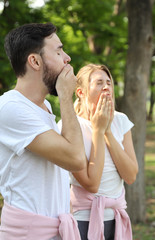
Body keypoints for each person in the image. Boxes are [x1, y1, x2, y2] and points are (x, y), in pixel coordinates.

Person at [0, 23, 86, 240]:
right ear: (35, 61)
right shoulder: (9, 108)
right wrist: (66, 98)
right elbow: (76, 159)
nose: (67, 58)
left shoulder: (44, 107)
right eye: (59, 51)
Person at [58, 64, 138, 240]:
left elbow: (131, 176)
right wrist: (98, 130)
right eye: (99, 82)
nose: (106, 87)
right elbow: (91, 185)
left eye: (109, 82)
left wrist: (107, 130)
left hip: (116, 219)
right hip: (83, 221)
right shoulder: (71, 126)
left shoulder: (121, 120)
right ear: (81, 92)